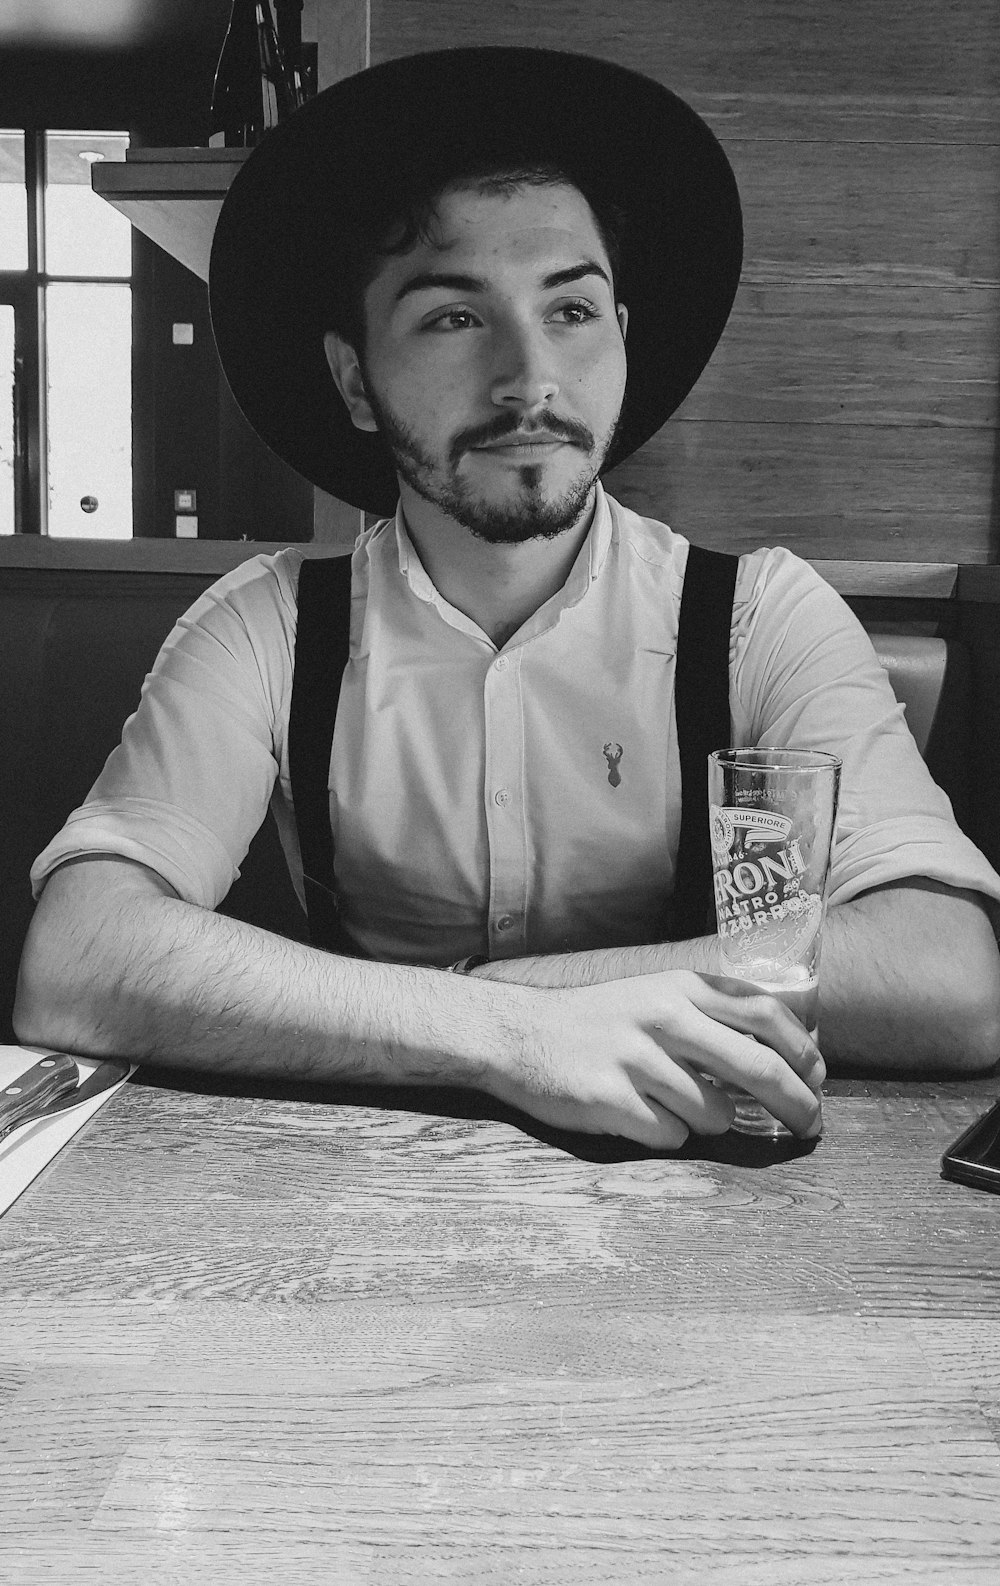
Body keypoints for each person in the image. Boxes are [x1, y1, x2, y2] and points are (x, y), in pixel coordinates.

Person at [14, 48, 1000, 1149]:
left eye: (570, 310)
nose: (529, 376)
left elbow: (949, 970)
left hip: (713, 1186)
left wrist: (516, 991)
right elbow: (78, 957)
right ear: (353, 378)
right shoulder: (270, 626)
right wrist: (511, 1036)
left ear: (623, 333)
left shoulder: (760, 616)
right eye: (452, 317)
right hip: (365, 1200)